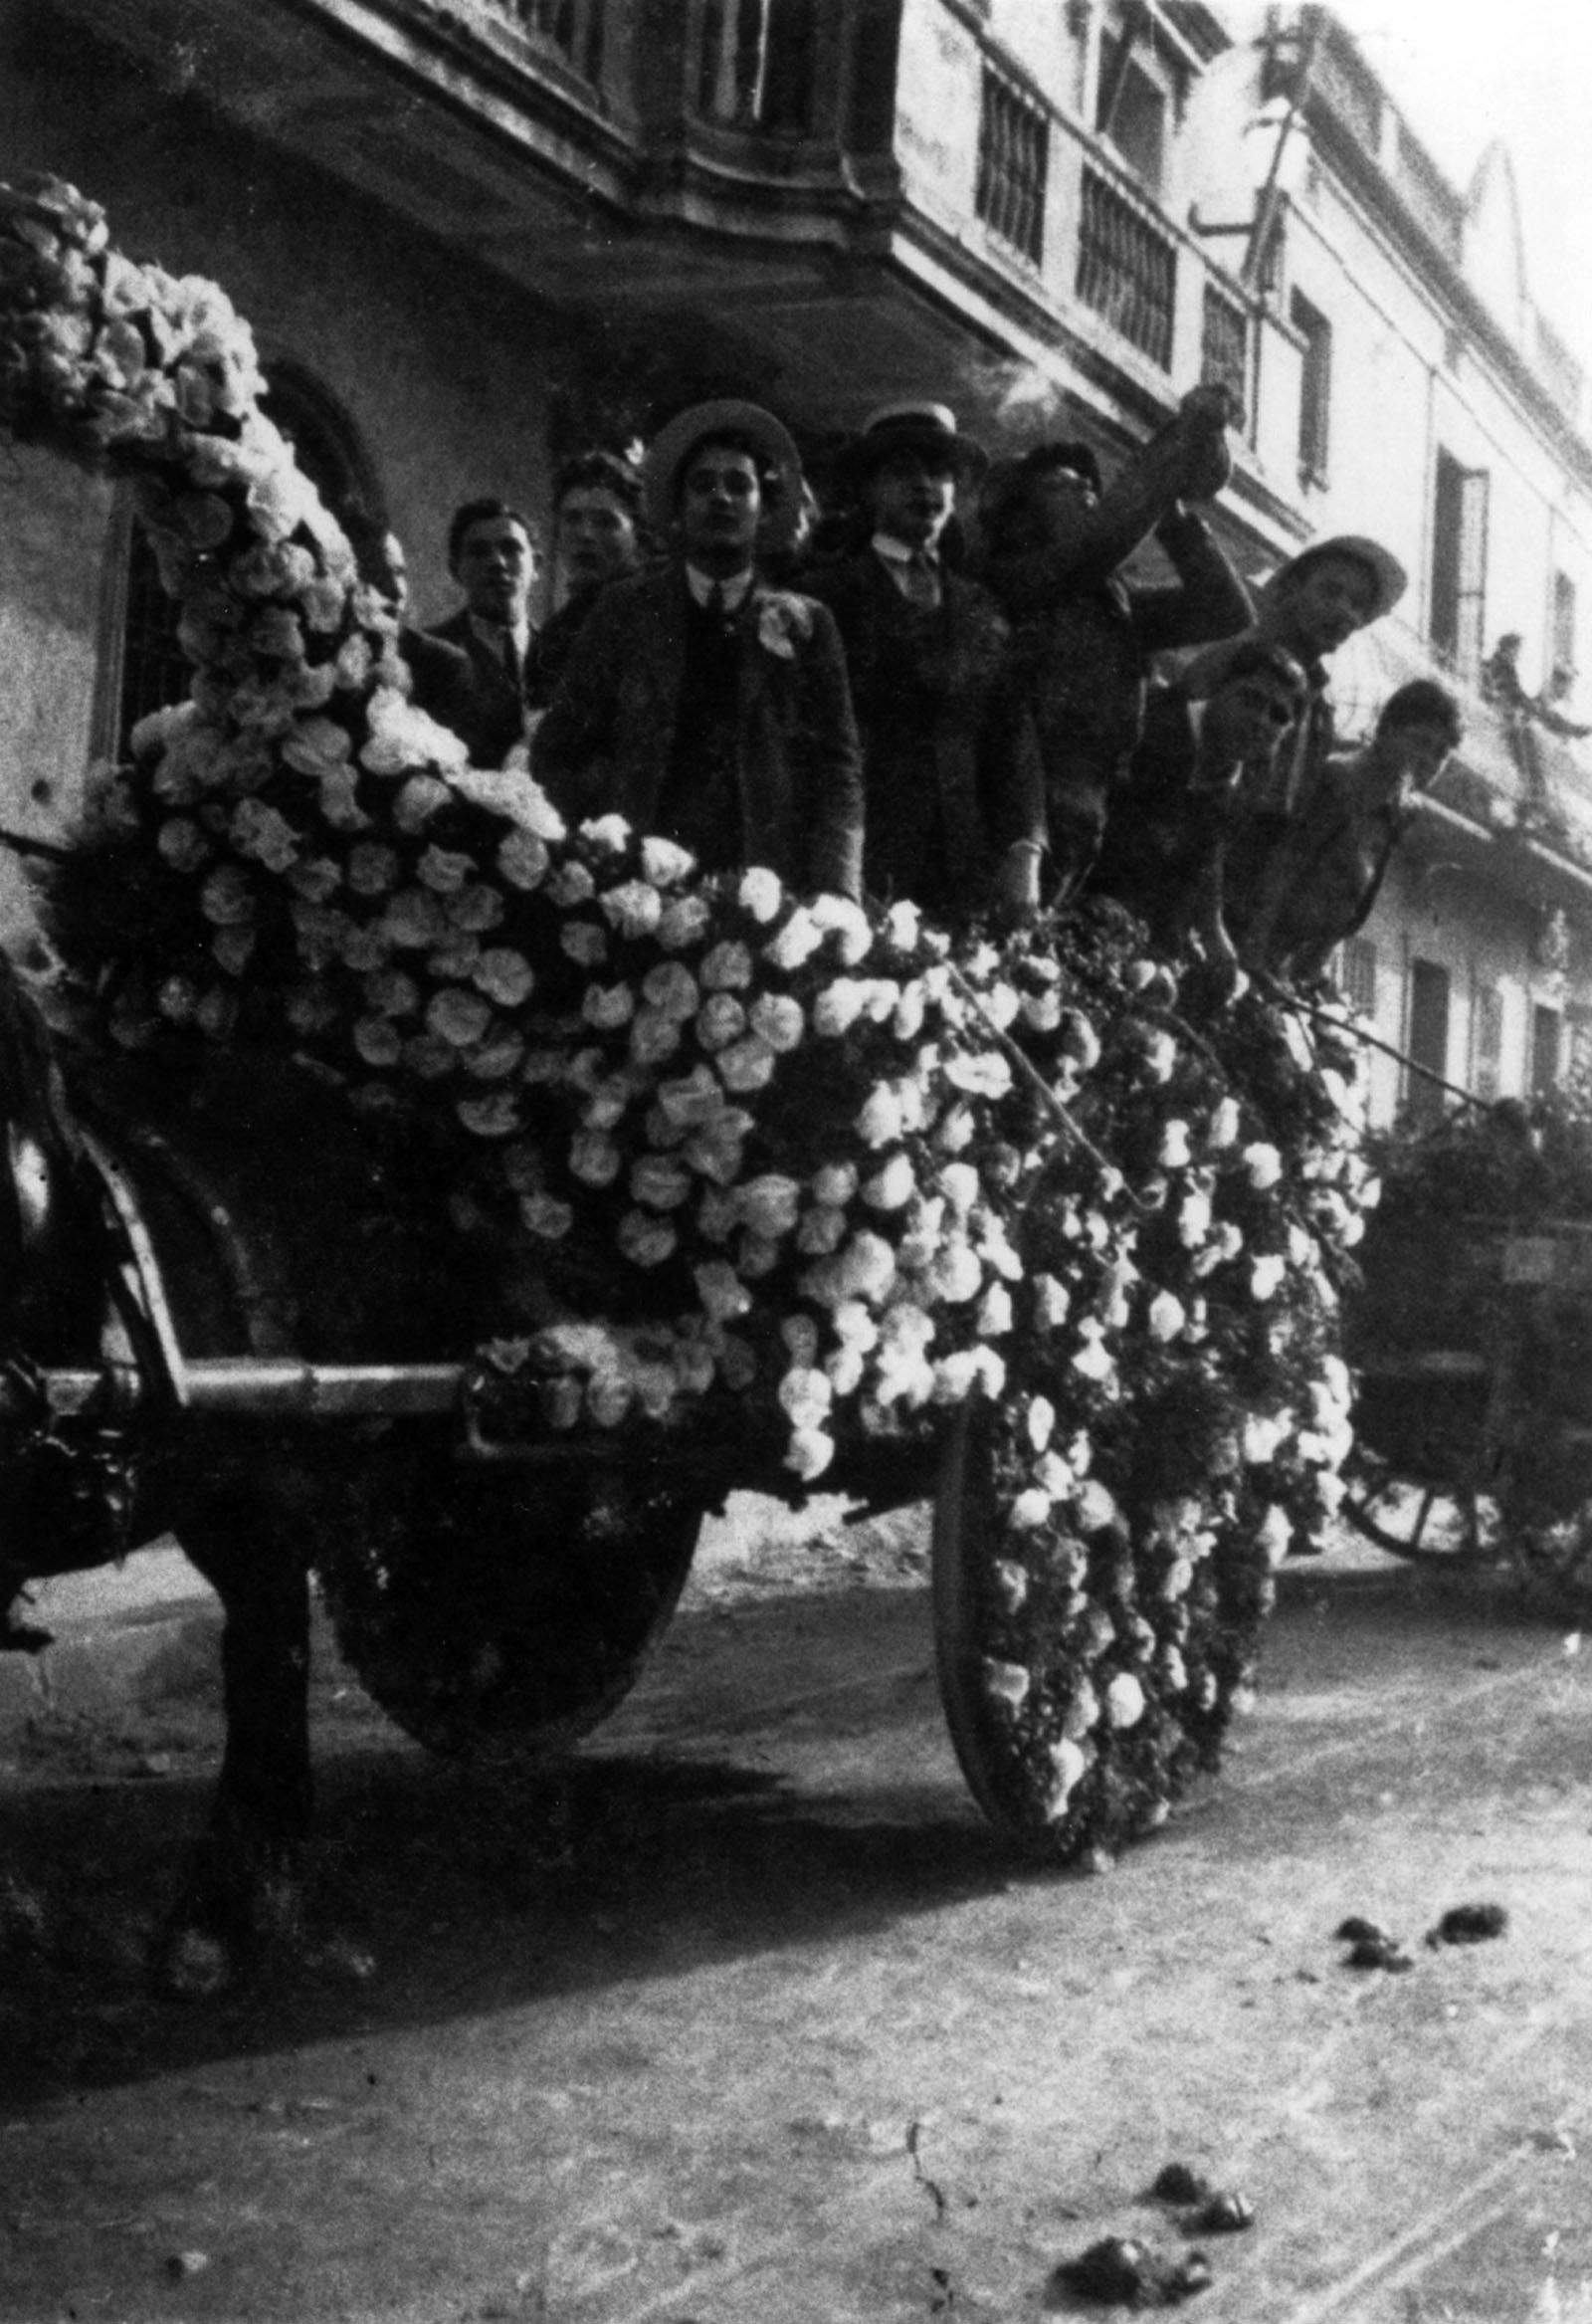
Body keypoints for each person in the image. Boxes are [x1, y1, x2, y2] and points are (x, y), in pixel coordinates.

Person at [534, 399, 863, 899]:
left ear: (766, 507)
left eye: (739, 485)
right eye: (703, 485)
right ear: (679, 507)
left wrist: (837, 893)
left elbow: (838, 771)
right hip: (635, 885)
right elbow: (557, 750)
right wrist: (589, 854)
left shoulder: (808, 624)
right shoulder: (625, 608)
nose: (721, 498)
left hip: (759, 889)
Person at [978, 383, 1252, 899]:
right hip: (1015, 810)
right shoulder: (1015, 577)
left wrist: (1172, 517)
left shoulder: (1115, 600)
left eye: (1090, 484)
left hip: (1090, 813)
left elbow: (1225, 610)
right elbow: (1097, 542)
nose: (1088, 491)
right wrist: (1178, 447)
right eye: (1064, 485)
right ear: (1021, 516)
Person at [803, 401, 1044, 930]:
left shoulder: (981, 608)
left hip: (962, 870)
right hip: (857, 864)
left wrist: (1025, 847)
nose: (924, 486)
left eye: (938, 472)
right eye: (902, 472)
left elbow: (1012, 734)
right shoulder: (828, 595)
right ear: (868, 489)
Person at [1179, 531, 1408, 950]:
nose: (1343, 611)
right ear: (1291, 588)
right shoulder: (1232, 662)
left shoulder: (1320, 714)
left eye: (1357, 605)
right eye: (1331, 591)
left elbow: (1287, 838)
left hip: (1242, 910)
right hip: (1182, 876)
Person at [1089, 642, 1309, 962]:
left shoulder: (1243, 788)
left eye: (1278, 715)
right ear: (1218, 690)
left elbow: (1196, 868)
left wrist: (1207, 935)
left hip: (1117, 939)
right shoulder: (1149, 718)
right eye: (1250, 699)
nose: (1260, 721)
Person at [1245, 677, 1463, 981]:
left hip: (1295, 957)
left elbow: (1353, 897)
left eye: (1441, 753)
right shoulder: (1339, 780)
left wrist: (1313, 973)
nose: (1428, 760)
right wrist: (1250, 963)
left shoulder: (1403, 808)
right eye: (1421, 741)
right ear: (1386, 730)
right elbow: (1281, 870)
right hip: (1254, 945)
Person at [421, 499, 541, 765]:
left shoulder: (564, 653)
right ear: (455, 570)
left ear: (537, 566)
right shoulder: (427, 655)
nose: (497, 562)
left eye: (511, 549)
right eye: (478, 552)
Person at [525, 451, 646, 709]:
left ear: (636, 533)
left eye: (605, 522)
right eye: (572, 519)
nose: (586, 534)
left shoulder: (654, 614)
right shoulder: (555, 633)